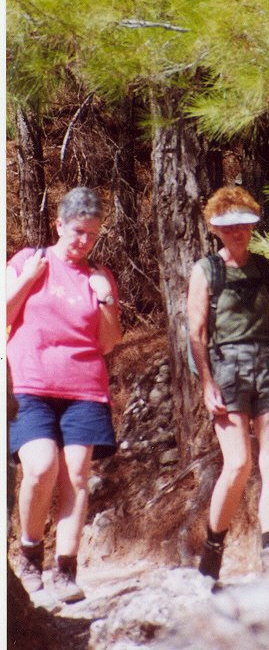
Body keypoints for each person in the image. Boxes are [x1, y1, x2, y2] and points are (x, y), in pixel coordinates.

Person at [7, 187, 122, 602]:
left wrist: (105, 298)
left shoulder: (99, 276)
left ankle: (66, 570)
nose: (84, 241)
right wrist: (29, 279)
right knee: (40, 469)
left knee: (75, 476)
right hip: (30, 384)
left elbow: (107, 342)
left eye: (92, 234)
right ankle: (29, 553)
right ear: (59, 225)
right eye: (77, 232)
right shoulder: (27, 260)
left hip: (84, 388)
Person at [187, 186, 269, 581]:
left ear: (252, 226)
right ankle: (213, 547)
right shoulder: (205, 271)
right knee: (238, 463)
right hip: (226, 368)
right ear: (216, 230)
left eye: (243, 225)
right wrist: (207, 383)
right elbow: (196, 333)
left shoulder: (266, 268)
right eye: (228, 226)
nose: (237, 232)